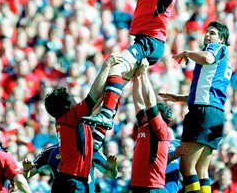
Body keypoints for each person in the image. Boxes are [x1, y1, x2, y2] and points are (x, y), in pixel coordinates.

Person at [82, 0, 182, 149]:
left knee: (116, 63)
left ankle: (104, 115)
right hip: (141, 40)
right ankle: (98, 138)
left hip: (152, 40)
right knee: (114, 73)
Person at [161, 20, 232, 193]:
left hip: (203, 113)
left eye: (212, 33)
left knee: (187, 166)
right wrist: (180, 97)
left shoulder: (215, 49)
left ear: (221, 39)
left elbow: (207, 58)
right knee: (202, 169)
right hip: (216, 114)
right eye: (207, 31)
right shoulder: (227, 61)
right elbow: (208, 92)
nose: (207, 35)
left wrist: (187, 52)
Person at [44, 54, 118, 192]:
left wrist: (112, 87)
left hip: (65, 180)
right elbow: (93, 96)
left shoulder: (65, 120)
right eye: (71, 98)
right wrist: (106, 66)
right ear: (67, 106)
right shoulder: (70, 117)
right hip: (73, 181)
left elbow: (97, 100)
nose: (75, 99)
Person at [129, 59, 172, 193]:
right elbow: (138, 101)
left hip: (153, 188)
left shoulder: (161, 129)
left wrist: (145, 73)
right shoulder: (145, 125)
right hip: (139, 187)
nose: (146, 113)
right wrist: (137, 75)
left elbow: (148, 101)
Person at [22, 143, 118, 193]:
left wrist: (113, 168)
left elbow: (111, 175)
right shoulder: (50, 152)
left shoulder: (90, 150)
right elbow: (26, 176)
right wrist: (26, 170)